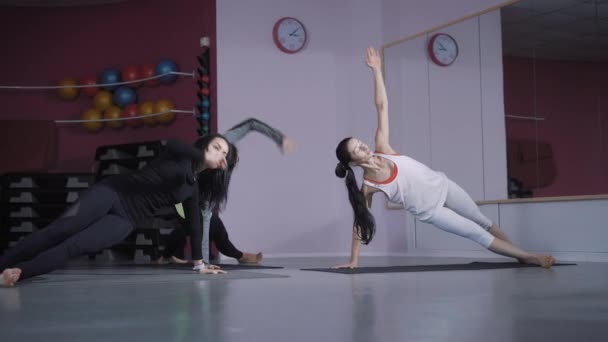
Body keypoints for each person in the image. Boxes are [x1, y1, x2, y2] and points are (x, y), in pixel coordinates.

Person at [333, 47, 555, 269]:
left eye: (360, 142)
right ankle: (530, 257)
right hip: (431, 211)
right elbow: (360, 222)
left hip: (443, 185)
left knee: (483, 222)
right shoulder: (369, 187)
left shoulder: (383, 147)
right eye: (358, 149)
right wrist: (354, 260)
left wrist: (377, 71)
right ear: (353, 162)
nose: (364, 146)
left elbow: (381, 106)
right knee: (475, 233)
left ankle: (522, 254)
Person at [0, 135, 237, 287]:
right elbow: (174, 142)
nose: (220, 154)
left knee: (75, 247)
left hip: (127, 220)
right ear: (204, 146)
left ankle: (19, 272)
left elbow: (195, 225)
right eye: (216, 147)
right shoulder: (178, 154)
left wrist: (199, 264)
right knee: (60, 230)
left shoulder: (192, 188)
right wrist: (202, 156)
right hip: (112, 192)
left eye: (224, 154)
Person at [158, 117, 295, 265]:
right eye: (233, 163)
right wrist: (202, 265)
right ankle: (167, 257)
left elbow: (250, 124)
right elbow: (202, 227)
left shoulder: (224, 145)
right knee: (196, 226)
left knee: (214, 228)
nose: (235, 164)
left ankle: (166, 257)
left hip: (192, 197)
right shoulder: (200, 175)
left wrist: (280, 138)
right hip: (179, 197)